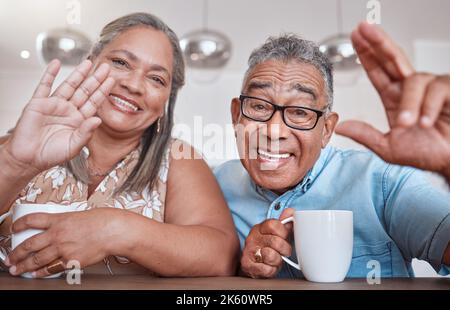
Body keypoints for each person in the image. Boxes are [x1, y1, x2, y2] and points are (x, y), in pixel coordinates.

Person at [0, 12, 239, 278]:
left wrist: (115, 229)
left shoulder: (178, 160)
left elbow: (221, 256)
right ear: (90, 65)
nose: (134, 85)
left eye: (156, 79)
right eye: (121, 62)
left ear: (165, 103)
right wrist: (13, 165)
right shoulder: (18, 145)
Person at [214, 22, 450, 279]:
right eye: (259, 107)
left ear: (326, 130)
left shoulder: (382, 180)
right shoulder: (212, 187)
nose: (273, 131)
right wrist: (240, 268)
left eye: (300, 112)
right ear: (237, 115)